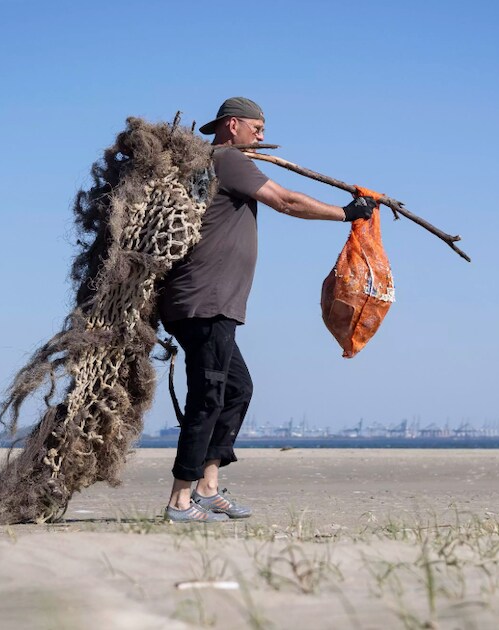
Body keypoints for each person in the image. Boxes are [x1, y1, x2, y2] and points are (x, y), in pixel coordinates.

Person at [159, 97, 378, 522]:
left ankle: (207, 488)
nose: (262, 136)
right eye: (257, 128)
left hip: (211, 303)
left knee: (236, 390)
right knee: (207, 397)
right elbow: (285, 201)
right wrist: (347, 213)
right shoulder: (227, 159)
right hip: (205, 301)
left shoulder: (220, 162)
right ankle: (179, 501)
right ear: (233, 125)